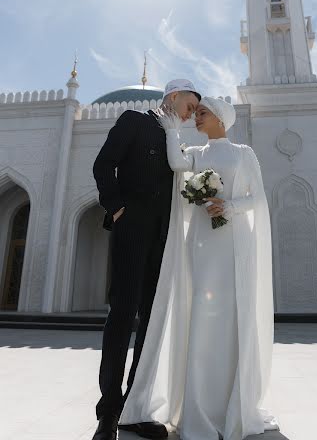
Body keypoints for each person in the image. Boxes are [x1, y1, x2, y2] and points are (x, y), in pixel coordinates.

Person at [119, 97, 279, 440]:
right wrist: (172, 131)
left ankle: (231, 405)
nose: (197, 117)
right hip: (202, 246)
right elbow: (177, 163)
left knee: (232, 317)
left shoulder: (243, 153)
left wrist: (230, 205)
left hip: (235, 245)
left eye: (202, 113)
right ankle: (198, 406)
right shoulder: (197, 153)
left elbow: (258, 199)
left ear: (221, 118)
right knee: (202, 316)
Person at [91, 79, 201, 440]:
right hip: (131, 232)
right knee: (122, 315)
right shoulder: (134, 122)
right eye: (189, 104)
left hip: (163, 242)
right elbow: (104, 165)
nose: (191, 113)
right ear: (173, 97)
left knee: (152, 323)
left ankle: (135, 410)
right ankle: (108, 413)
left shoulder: (175, 140)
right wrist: (118, 208)